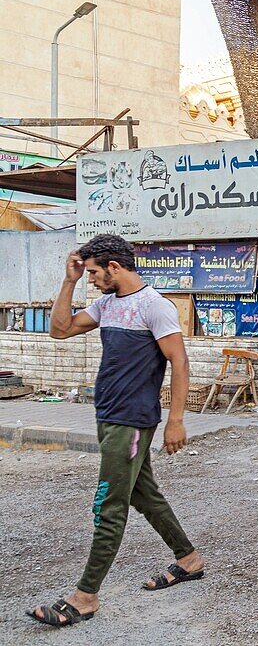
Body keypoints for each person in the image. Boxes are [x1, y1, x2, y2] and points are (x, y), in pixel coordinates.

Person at [27, 234, 203, 628]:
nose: (90, 278)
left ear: (115, 268)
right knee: (145, 496)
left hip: (133, 421)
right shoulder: (107, 304)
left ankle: (85, 597)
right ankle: (189, 560)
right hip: (108, 415)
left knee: (109, 504)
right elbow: (61, 330)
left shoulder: (154, 306)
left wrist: (176, 419)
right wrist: (69, 281)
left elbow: (180, 362)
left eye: (92, 272)